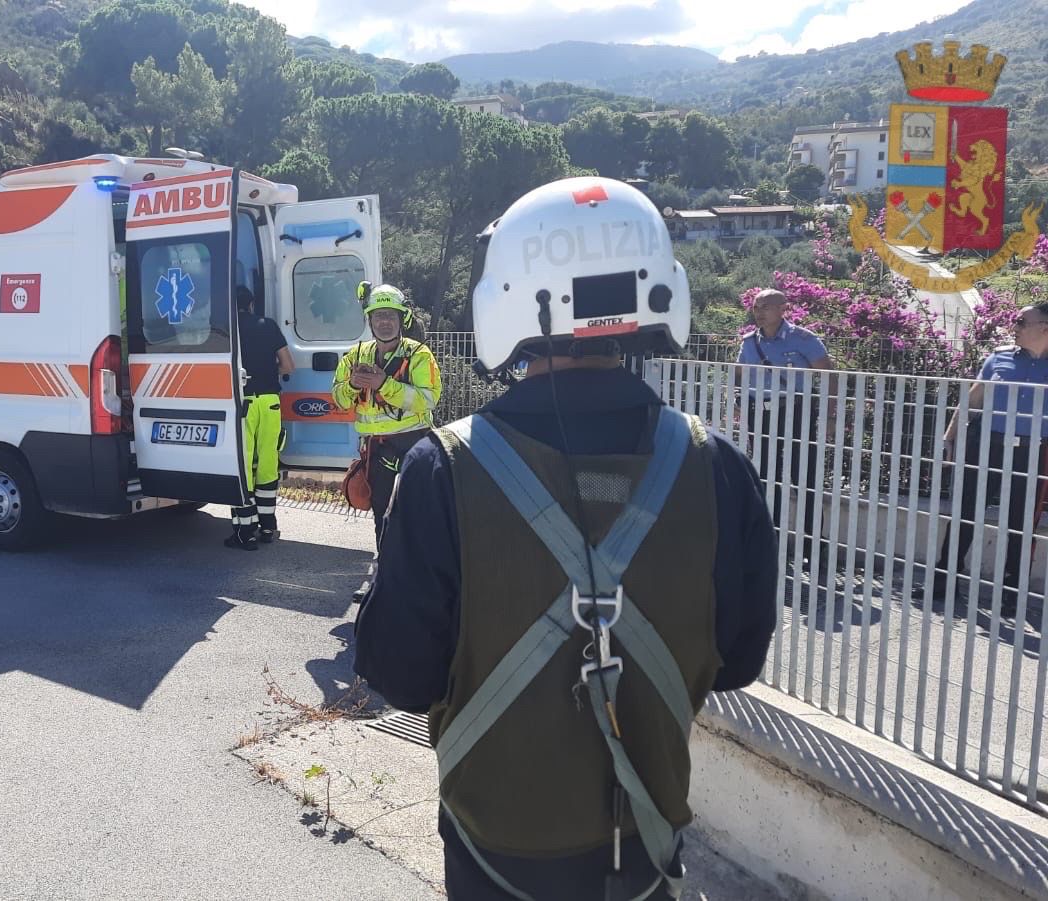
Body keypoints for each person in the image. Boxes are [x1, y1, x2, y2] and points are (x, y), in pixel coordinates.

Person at [355, 177, 778, 900]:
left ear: (508, 297)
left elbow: (399, 673)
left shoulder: (443, 469)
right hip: (646, 845)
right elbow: (737, 661)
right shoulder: (717, 466)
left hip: (497, 854)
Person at [930, 303, 1048, 620]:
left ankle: (1011, 597)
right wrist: (949, 438)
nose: (1014, 326)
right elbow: (972, 399)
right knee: (965, 514)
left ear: (1044, 327)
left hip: (1032, 452)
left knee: (1021, 525)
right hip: (986, 445)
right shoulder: (999, 357)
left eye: (1021, 321)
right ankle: (943, 584)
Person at [331, 283, 442, 600]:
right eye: (378, 315)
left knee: (416, 514)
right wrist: (352, 385)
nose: (384, 322)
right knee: (381, 514)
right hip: (377, 449)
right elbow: (338, 399)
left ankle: (420, 582)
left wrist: (384, 384)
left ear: (401, 318)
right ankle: (385, 582)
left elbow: (428, 399)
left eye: (390, 316)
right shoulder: (356, 356)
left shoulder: (418, 355)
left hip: (414, 447)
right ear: (369, 319)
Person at [736, 289, 837, 540]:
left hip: (796, 412)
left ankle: (813, 545)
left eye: (765, 306)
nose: (759, 312)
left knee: (804, 477)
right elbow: (739, 375)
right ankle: (773, 541)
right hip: (761, 414)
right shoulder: (750, 342)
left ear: (783, 309)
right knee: (766, 477)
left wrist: (830, 415)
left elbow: (829, 375)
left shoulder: (802, 339)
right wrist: (739, 401)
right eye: (756, 307)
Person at [225, 287, 294, 550]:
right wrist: (267, 368)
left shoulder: (227, 330)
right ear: (251, 304)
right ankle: (267, 527)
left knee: (241, 467)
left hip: (243, 404)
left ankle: (245, 532)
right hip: (270, 403)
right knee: (267, 465)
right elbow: (288, 366)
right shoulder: (268, 326)